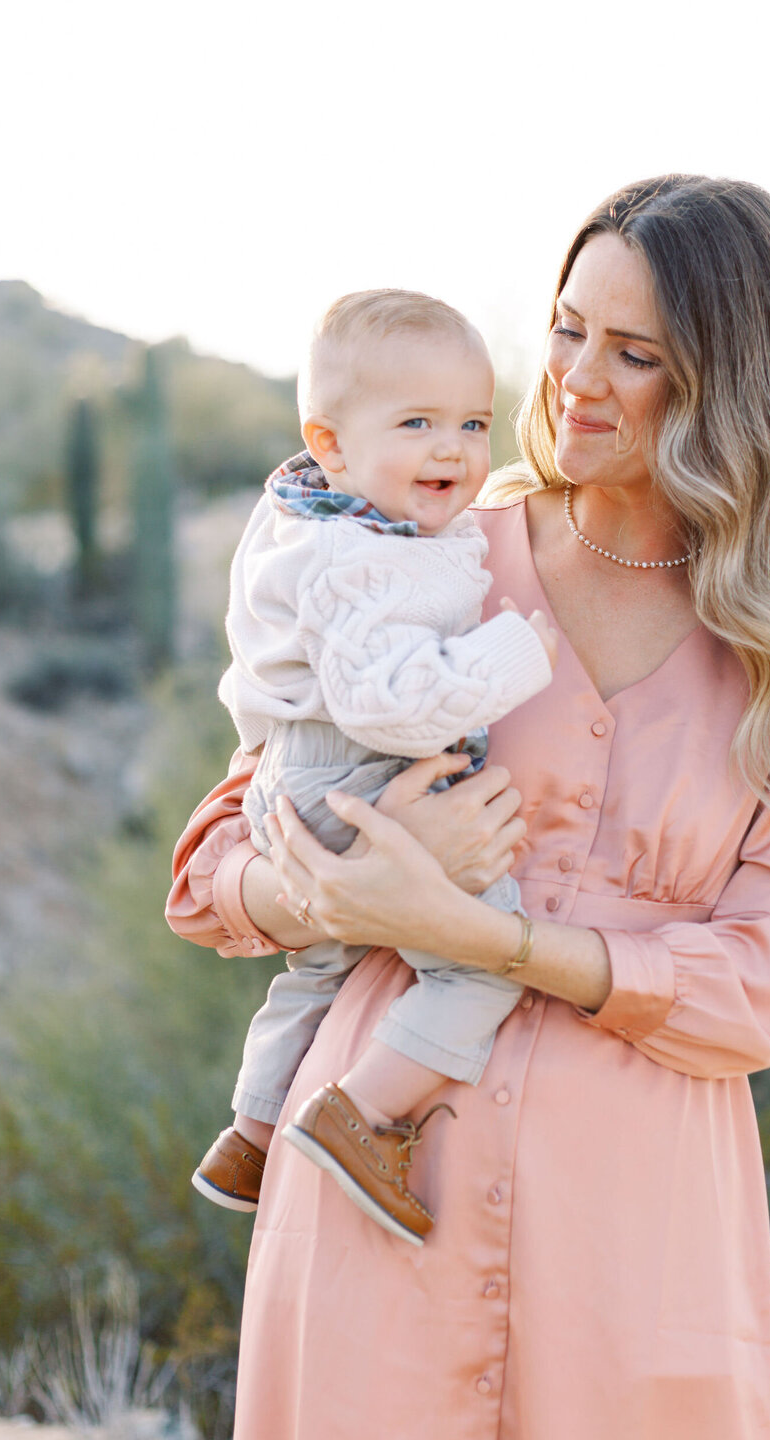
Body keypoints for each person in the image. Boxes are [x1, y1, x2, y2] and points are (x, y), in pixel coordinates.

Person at [166, 175, 770, 1440]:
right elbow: (219, 859)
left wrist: (489, 938)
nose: (576, 380)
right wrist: (333, 906)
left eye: (635, 353)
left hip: (634, 1239)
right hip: (369, 1202)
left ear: (738, 386)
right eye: (565, 328)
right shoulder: (423, 552)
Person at [192, 289, 555, 1242]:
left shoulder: (311, 517)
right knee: (483, 960)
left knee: (322, 970)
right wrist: (516, 653)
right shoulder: (365, 556)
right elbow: (387, 705)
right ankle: (366, 1117)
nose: (453, 450)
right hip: (353, 776)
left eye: (473, 423)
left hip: (301, 774)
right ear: (332, 442)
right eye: (419, 423)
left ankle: (253, 1135)